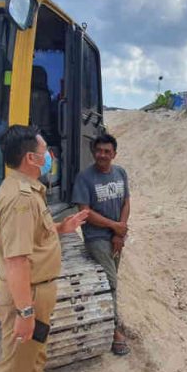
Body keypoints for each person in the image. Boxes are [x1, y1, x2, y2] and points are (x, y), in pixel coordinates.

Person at [0, 125, 89, 372]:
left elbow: (32, 235)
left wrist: (62, 228)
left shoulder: (22, 188)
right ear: (30, 157)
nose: (49, 157)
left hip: (34, 292)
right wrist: (26, 313)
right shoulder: (21, 199)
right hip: (25, 296)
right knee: (14, 367)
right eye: (45, 153)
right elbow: (16, 261)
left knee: (31, 359)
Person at [71, 133, 131, 355]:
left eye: (107, 151)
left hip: (116, 236)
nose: (102, 155)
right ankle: (114, 331)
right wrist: (115, 227)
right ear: (93, 152)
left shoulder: (120, 173)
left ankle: (109, 315)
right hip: (96, 237)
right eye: (99, 151)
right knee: (111, 281)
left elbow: (126, 202)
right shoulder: (85, 178)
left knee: (112, 278)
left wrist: (120, 231)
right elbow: (84, 212)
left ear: (114, 154)